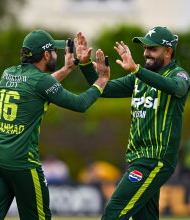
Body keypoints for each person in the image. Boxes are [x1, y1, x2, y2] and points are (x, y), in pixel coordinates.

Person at [0, 30, 110, 220]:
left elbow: (37, 87)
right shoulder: (41, 81)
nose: (58, 55)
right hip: (21, 161)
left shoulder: (8, 74)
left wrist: (67, 68)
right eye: (55, 52)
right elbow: (80, 104)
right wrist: (101, 81)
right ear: (46, 54)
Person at [75, 27, 190, 220]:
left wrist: (137, 70)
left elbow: (176, 88)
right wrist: (86, 65)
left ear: (168, 51)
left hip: (155, 160)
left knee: (114, 211)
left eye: (152, 49)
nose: (146, 53)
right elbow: (106, 89)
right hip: (137, 158)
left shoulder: (179, 75)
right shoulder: (140, 76)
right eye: (145, 48)